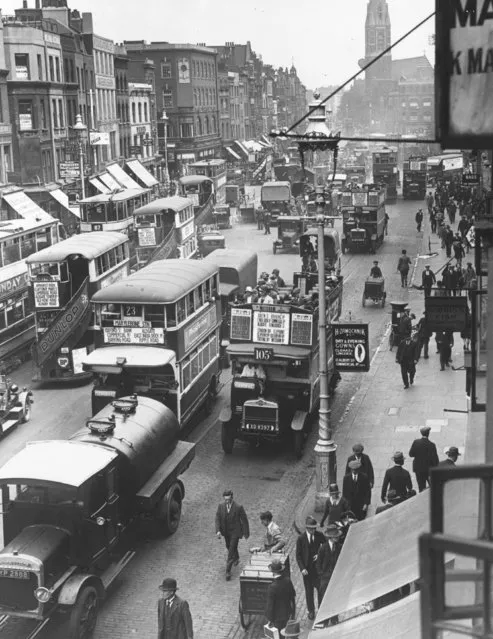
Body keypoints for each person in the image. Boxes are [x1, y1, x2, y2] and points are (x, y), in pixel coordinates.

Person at [215, 490, 250, 580]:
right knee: (228, 546)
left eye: (228, 499)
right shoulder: (221, 506)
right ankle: (236, 557)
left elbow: (244, 520)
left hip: (235, 531)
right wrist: (218, 530)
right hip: (226, 532)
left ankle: (228, 571)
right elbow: (217, 518)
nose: (227, 501)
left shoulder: (238, 507)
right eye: (225, 499)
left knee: (230, 550)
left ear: (232, 498)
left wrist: (246, 533)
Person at [295, 516, 325, 620]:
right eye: (312, 529)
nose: (314, 530)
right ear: (307, 528)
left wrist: (319, 554)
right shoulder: (301, 539)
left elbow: (325, 545)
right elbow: (298, 555)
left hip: (317, 570)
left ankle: (321, 609)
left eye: (314, 528)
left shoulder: (319, 535)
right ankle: (311, 611)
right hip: (307, 571)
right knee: (309, 592)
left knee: (320, 590)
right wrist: (302, 568)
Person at [264, 559, 296, 632]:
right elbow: (292, 597)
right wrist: (293, 613)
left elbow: (270, 606)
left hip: (277, 619)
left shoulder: (272, 587)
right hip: (288, 614)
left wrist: (270, 619)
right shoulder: (288, 581)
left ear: (273, 572)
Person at [408, 425, 439, 492]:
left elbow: (411, 454)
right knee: (432, 487)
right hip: (428, 470)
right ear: (428, 434)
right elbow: (435, 460)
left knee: (421, 487)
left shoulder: (416, 442)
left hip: (418, 469)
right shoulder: (432, 445)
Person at [316, 526, 342, 599]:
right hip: (325, 579)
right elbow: (318, 564)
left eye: (338, 536)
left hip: (336, 578)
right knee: (324, 598)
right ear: (330, 537)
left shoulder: (340, 547)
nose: (338, 538)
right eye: (335, 537)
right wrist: (322, 575)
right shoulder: (323, 548)